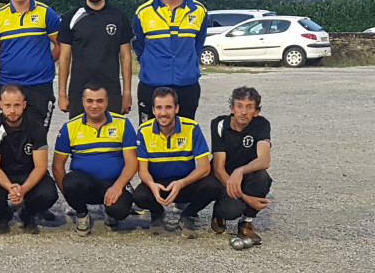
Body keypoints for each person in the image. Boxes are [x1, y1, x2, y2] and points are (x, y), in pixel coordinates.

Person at [131, 87, 221, 238]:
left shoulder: (191, 127)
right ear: (153, 110)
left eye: (168, 107)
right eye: (159, 107)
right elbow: (143, 170)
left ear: (176, 108)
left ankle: (188, 215)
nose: (163, 113)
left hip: (184, 183)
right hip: (159, 184)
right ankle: (157, 213)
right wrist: (152, 185)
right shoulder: (144, 130)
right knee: (139, 196)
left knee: (213, 186)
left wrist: (181, 183)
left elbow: (205, 167)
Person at [52, 84, 137, 237]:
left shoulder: (123, 124)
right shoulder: (70, 127)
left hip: (113, 184)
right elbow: (57, 166)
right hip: (85, 185)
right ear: (83, 101)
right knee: (71, 181)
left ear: (107, 102)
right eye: (90, 101)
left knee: (120, 210)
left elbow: (132, 162)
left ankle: (111, 213)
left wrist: (118, 186)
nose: (94, 105)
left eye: (100, 101)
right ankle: (82, 214)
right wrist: (70, 197)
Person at [0, 0, 60, 131]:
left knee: (38, 137)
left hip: (40, 85)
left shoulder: (46, 13)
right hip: (8, 86)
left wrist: (46, 61)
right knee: (12, 137)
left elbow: (61, 45)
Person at [132, 0, 207, 124]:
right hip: (152, 85)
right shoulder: (144, 12)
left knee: (185, 134)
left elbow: (198, 44)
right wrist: (149, 63)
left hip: (186, 86)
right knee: (148, 133)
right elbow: (138, 46)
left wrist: (188, 65)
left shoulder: (199, 10)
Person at [0, 84, 58, 234]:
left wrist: (22, 190)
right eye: (8, 105)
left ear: (24, 105)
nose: (12, 110)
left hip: (29, 173)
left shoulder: (36, 127)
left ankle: (28, 213)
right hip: (4, 174)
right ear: (1, 105)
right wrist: (10, 188)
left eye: (17, 105)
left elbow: (41, 167)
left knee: (49, 194)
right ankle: (4, 215)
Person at [58, 0, 133, 118]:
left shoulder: (119, 17)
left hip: (111, 89)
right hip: (79, 89)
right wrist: (62, 94)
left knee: (112, 132)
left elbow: (126, 57)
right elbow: (64, 58)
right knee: (79, 132)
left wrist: (127, 93)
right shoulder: (70, 18)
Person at [207, 86, 272, 245]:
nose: (243, 112)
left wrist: (240, 171)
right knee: (231, 211)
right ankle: (219, 214)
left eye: (249, 107)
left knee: (262, 177)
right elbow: (218, 168)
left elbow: (264, 160)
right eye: (239, 106)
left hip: (245, 175)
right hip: (224, 178)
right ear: (232, 108)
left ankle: (246, 223)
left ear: (256, 111)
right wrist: (246, 198)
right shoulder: (219, 124)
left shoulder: (262, 124)